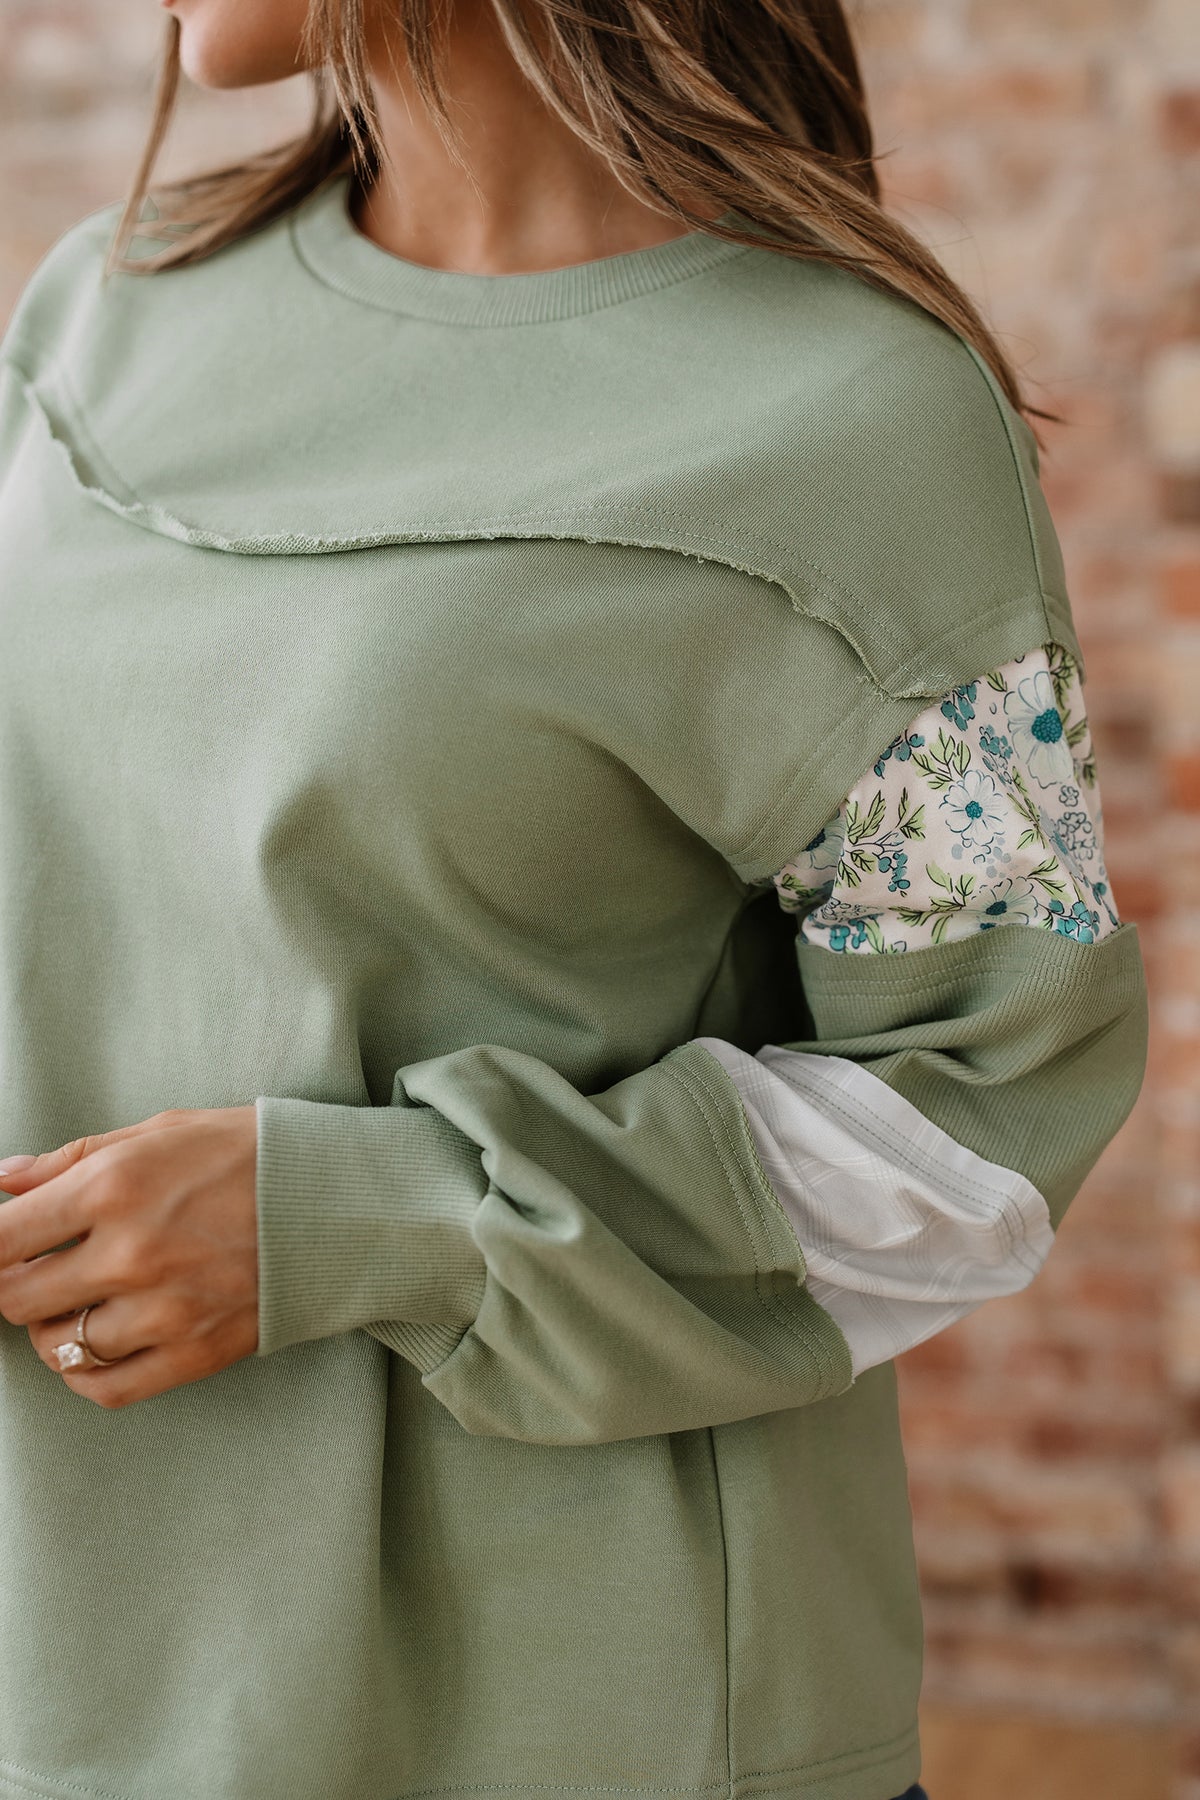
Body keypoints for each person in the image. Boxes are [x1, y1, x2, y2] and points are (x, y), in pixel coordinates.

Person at [0, 2, 1146, 1798]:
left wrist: (368, 1219)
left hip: (580, 1714)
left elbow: (983, 1124)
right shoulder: (103, 312)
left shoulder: (850, 424)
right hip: (79, 1667)